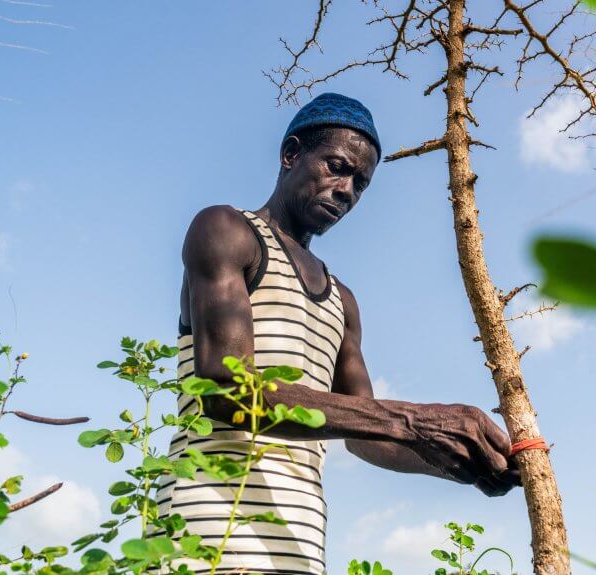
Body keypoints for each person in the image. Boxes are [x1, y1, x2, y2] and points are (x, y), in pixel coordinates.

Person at [154, 93, 520, 575]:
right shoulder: (225, 230)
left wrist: (462, 462)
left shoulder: (341, 300)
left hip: (298, 544)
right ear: (291, 155)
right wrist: (413, 419)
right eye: (336, 167)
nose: (346, 189)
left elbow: (367, 436)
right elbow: (226, 390)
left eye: (361, 183)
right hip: (206, 536)